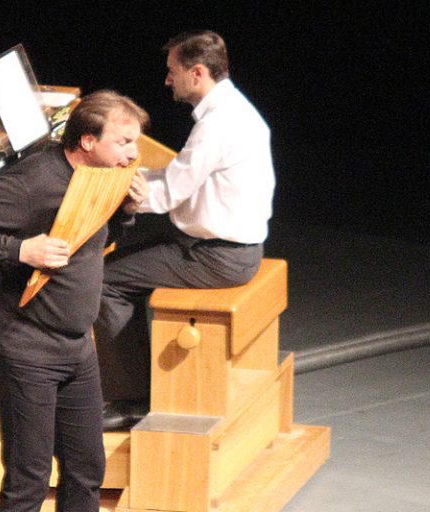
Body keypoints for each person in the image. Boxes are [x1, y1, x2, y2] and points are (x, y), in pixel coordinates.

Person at [0, 90, 149, 512]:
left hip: (77, 348)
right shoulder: (36, 180)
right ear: (88, 141)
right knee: (29, 479)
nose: (133, 153)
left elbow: (90, 243)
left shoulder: (100, 177)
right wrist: (20, 250)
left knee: (87, 469)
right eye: (124, 142)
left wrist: (125, 212)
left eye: (135, 142)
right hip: (27, 350)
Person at [95, 30, 276, 430]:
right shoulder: (231, 109)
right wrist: (133, 177)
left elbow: (168, 195)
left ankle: (131, 400)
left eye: (172, 71)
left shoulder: (218, 124)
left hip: (218, 257)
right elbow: (178, 176)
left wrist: (112, 187)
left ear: (196, 73)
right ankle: (125, 383)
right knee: (121, 260)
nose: (167, 80)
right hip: (220, 247)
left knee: (105, 282)